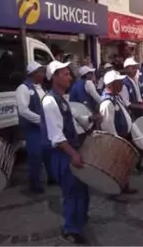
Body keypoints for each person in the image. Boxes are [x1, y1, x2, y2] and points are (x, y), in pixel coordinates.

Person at [42, 60, 101, 244]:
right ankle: (70, 229)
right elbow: (56, 135)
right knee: (71, 192)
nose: (69, 77)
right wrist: (73, 154)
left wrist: (91, 117)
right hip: (63, 154)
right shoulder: (50, 101)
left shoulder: (61, 98)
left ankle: (80, 220)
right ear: (55, 77)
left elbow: (73, 121)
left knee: (81, 189)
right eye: (66, 74)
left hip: (70, 150)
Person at [100, 70, 139, 197]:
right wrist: (117, 143)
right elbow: (108, 126)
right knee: (114, 166)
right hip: (116, 140)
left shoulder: (117, 97)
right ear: (111, 84)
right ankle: (112, 190)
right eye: (119, 82)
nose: (122, 84)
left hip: (124, 136)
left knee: (124, 164)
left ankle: (124, 185)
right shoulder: (107, 103)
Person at [16, 61, 51, 193]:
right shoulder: (23, 88)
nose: (43, 75)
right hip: (33, 128)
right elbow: (23, 110)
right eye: (41, 72)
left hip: (44, 127)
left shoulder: (41, 87)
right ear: (34, 73)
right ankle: (34, 184)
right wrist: (40, 120)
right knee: (35, 155)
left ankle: (50, 178)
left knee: (47, 153)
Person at [120, 57, 143, 171]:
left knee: (140, 138)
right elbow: (126, 103)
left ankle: (138, 162)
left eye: (136, 67)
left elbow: (139, 97)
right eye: (132, 68)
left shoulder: (135, 80)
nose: (135, 70)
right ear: (126, 69)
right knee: (134, 140)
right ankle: (132, 164)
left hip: (139, 113)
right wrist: (139, 106)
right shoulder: (124, 84)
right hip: (132, 115)